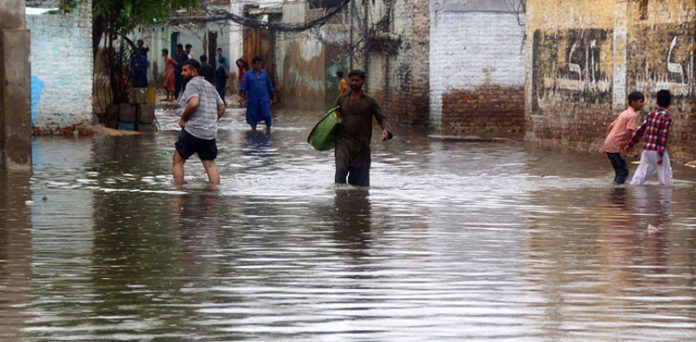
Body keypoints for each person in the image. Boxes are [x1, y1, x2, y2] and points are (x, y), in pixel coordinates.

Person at [172, 59, 226, 187]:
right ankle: (214, 197)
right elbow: (222, 107)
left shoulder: (192, 84)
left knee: (178, 160)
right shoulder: (210, 86)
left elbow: (194, 103)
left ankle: (178, 195)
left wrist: (183, 118)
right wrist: (212, 121)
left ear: (194, 71)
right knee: (210, 164)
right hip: (209, 134)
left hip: (193, 132)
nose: (182, 73)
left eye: (185, 70)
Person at [333, 69, 390, 187]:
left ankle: (358, 204)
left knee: (359, 185)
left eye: (357, 80)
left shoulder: (370, 101)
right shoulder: (341, 99)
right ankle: (340, 202)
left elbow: (381, 118)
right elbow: (332, 118)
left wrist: (385, 130)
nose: (354, 83)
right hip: (343, 142)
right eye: (352, 80)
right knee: (340, 172)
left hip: (362, 145)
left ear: (362, 81)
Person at [626, 89, 674, 186]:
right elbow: (662, 137)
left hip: (647, 150)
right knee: (666, 180)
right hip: (657, 151)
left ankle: (633, 194)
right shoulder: (666, 117)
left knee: (640, 175)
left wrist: (630, 144)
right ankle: (665, 200)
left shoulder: (651, 114)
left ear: (657, 102)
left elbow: (640, 130)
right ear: (669, 103)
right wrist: (660, 155)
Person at [600, 91, 644, 184]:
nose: (642, 104)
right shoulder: (632, 115)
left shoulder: (624, 113)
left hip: (610, 144)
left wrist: (605, 144)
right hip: (616, 145)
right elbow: (629, 132)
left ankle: (616, 193)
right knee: (623, 172)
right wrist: (627, 147)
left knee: (619, 172)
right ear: (633, 102)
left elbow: (610, 126)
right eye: (640, 102)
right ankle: (617, 195)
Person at [241, 56, 276, 132]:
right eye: (257, 64)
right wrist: (244, 98)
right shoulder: (247, 75)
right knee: (253, 117)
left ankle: (268, 131)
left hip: (264, 100)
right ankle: (253, 132)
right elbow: (244, 88)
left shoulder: (264, 74)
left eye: (260, 64)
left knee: (267, 115)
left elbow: (270, 86)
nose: (259, 66)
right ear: (253, 65)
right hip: (253, 100)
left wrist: (273, 96)